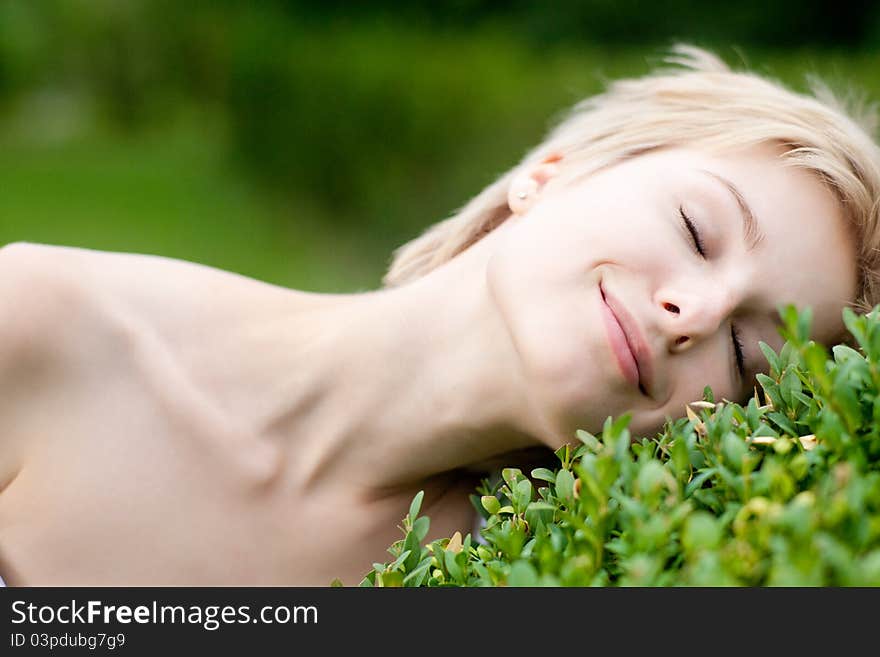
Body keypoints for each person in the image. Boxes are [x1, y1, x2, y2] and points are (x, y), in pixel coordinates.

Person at [0, 45, 878, 587]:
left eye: (747, 351)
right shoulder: (43, 325)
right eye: (696, 227)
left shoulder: (537, 580)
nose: (696, 310)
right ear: (553, 170)